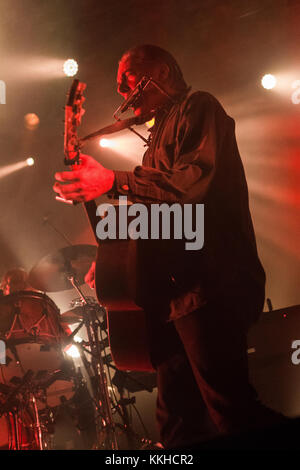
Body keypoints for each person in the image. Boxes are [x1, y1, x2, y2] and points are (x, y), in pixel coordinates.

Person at [53, 45, 285, 448]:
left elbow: (191, 188)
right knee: (177, 423)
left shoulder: (200, 108)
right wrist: (114, 255)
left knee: (230, 409)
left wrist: (113, 181)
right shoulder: (157, 137)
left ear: (159, 71)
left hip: (210, 285)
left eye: (127, 76)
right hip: (174, 293)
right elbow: (161, 215)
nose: (120, 89)